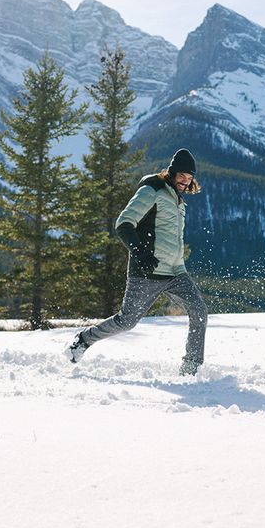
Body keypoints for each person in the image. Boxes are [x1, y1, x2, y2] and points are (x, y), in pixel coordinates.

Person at [65, 148, 208, 375]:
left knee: (199, 310)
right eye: (182, 175)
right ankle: (83, 340)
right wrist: (140, 253)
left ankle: (190, 370)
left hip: (175, 272)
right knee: (127, 321)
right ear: (171, 172)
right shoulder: (152, 190)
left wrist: (179, 265)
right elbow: (124, 223)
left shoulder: (177, 199)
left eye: (189, 177)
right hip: (147, 272)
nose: (185, 181)